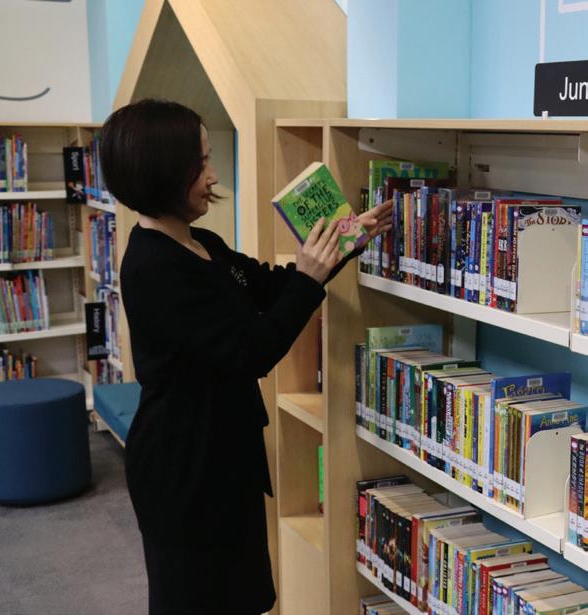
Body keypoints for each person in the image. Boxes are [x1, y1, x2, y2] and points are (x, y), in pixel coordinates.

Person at [99, 98, 392, 615]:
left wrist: (346, 238)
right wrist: (310, 277)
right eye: (201, 164)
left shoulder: (201, 243)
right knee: (198, 600)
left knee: (242, 594)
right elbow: (252, 350)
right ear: (163, 172)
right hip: (184, 468)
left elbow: (270, 286)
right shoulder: (155, 269)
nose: (213, 176)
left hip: (224, 455)